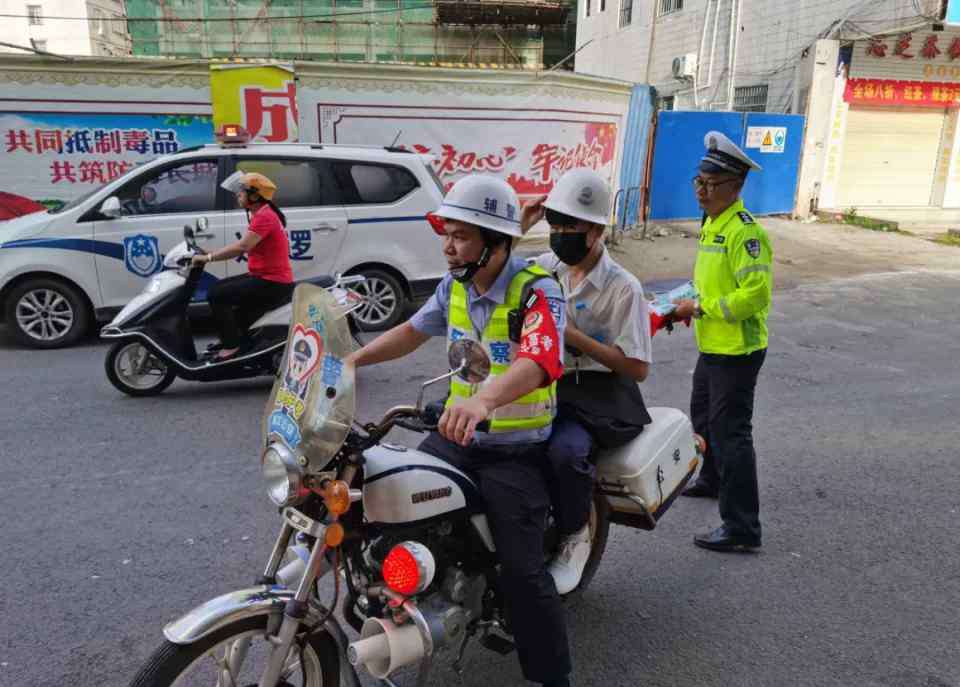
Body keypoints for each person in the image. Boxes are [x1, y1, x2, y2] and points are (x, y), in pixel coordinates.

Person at [346, 174, 573, 687]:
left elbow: (539, 359)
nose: (448, 246)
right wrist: (351, 362)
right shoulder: (454, 285)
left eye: (461, 236)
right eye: (446, 233)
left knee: (523, 573)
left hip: (514, 451)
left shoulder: (537, 289)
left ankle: (552, 675)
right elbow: (410, 331)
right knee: (385, 507)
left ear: (496, 243)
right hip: (456, 437)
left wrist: (485, 400)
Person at [520, 168, 653, 594]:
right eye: (554, 224)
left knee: (565, 452)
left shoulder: (623, 288)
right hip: (545, 380)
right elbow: (497, 272)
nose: (560, 234)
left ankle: (575, 535)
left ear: (595, 230)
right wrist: (521, 225)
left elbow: (636, 367)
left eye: (570, 226)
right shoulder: (547, 267)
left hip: (596, 391)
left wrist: (573, 337)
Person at [673, 131, 773, 553]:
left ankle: (742, 527)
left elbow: (755, 296)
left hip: (738, 350)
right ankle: (711, 478)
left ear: (734, 187)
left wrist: (702, 308)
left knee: (732, 434)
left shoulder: (745, 233)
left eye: (710, 185)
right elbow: (709, 283)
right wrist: (683, 305)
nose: (701, 190)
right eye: (698, 182)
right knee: (703, 415)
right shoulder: (713, 222)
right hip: (712, 344)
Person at [192, 171, 294, 359]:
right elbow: (243, 245)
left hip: (273, 281)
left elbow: (242, 247)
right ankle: (238, 341)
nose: (237, 195)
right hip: (263, 276)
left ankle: (232, 346)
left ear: (254, 196)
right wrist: (208, 253)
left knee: (217, 294)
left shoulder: (265, 217)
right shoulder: (262, 214)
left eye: (241, 192)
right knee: (223, 292)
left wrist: (208, 258)